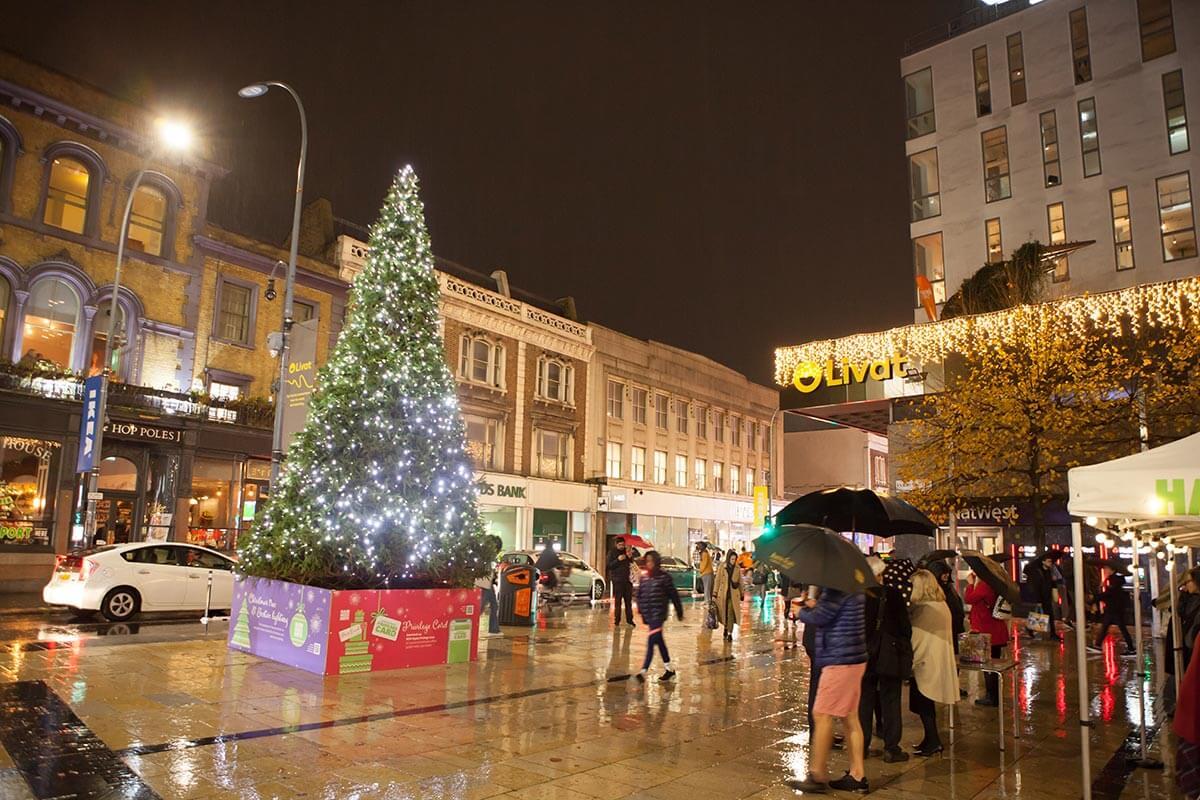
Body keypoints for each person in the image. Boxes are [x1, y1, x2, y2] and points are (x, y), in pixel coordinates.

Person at [789, 587, 870, 794]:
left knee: (822, 714)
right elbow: (834, 613)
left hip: (839, 659)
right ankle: (857, 774)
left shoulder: (836, 588)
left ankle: (817, 774)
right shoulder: (852, 586)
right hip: (854, 657)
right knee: (850, 717)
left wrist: (801, 613)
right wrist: (814, 605)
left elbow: (823, 617)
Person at [860, 557, 910, 763]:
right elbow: (905, 627)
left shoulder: (858, 595)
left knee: (864, 701)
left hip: (864, 654)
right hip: (889, 654)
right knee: (890, 699)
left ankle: (861, 746)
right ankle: (892, 748)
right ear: (880, 574)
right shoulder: (894, 595)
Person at [908, 569, 959, 756]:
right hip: (936, 659)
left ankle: (933, 740)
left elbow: (918, 638)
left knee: (924, 703)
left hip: (925, 662)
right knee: (925, 703)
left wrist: (909, 659)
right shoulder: (941, 604)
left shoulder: (925, 608)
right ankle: (930, 739)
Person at [634, 550, 684, 682]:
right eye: (647, 561)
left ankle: (643, 671)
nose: (649, 563)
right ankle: (669, 669)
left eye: (651, 561)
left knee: (651, 641)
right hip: (649, 615)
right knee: (659, 641)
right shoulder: (644, 578)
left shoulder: (664, 577)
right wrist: (641, 610)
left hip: (659, 614)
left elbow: (673, 594)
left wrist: (679, 611)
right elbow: (639, 595)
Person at [964, 570, 1009, 706]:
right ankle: (993, 695)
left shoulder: (985, 585)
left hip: (988, 631)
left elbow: (969, 599)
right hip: (994, 630)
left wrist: (970, 585)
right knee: (992, 664)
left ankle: (992, 697)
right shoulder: (995, 584)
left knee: (988, 666)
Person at [1088, 566, 1135, 656]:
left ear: (1112, 570)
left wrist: (1095, 599)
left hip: (1114, 608)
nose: (1105, 570)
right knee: (1107, 625)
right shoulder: (1114, 580)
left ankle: (1131, 649)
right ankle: (1098, 644)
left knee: (1120, 627)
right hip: (1114, 607)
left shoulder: (1113, 580)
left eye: (1107, 569)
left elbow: (1109, 593)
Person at [1023, 553, 1061, 641]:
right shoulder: (1037, 572)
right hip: (1041, 597)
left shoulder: (1049, 571)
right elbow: (1036, 587)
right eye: (1048, 561)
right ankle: (1030, 629)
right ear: (1043, 562)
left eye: (1051, 561)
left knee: (1050, 615)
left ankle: (1052, 634)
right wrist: (1038, 600)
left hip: (1047, 597)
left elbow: (1051, 583)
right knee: (1038, 615)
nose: (1050, 563)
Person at [715, 549, 743, 641]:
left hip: (733, 595)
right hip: (723, 595)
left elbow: (740, 582)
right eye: (732, 559)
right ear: (728, 558)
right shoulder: (722, 567)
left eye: (735, 559)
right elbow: (717, 580)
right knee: (724, 613)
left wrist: (742, 593)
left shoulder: (737, 568)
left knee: (730, 613)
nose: (733, 561)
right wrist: (715, 593)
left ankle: (730, 633)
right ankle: (725, 628)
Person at [608, 538, 636, 626]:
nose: (622, 546)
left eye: (623, 545)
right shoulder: (612, 552)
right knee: (618, 602)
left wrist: (630, 556)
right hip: (617, 581)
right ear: (616, 544)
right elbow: (609, 566)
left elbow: (631, 563)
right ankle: (617, 620)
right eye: (620, 545)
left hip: (627, 581)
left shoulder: (627, 551)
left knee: (628, 602)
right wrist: (618, 560)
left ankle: (629, 620)